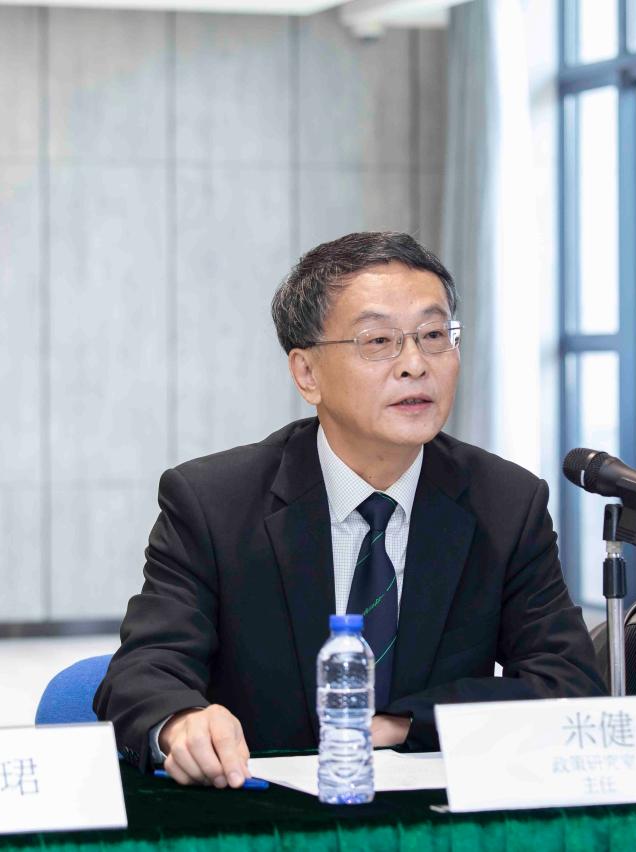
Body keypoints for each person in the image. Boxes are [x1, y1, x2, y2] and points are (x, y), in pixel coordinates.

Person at [96, 231, 603, 787]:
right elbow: (141, 672)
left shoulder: (504, 503)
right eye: (378, 341)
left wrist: (404, 724)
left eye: (434, 335)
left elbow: (568, 685)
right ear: (307, 374)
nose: (415, 364)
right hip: (265, 811)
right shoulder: (214, 503)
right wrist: (181, 722)